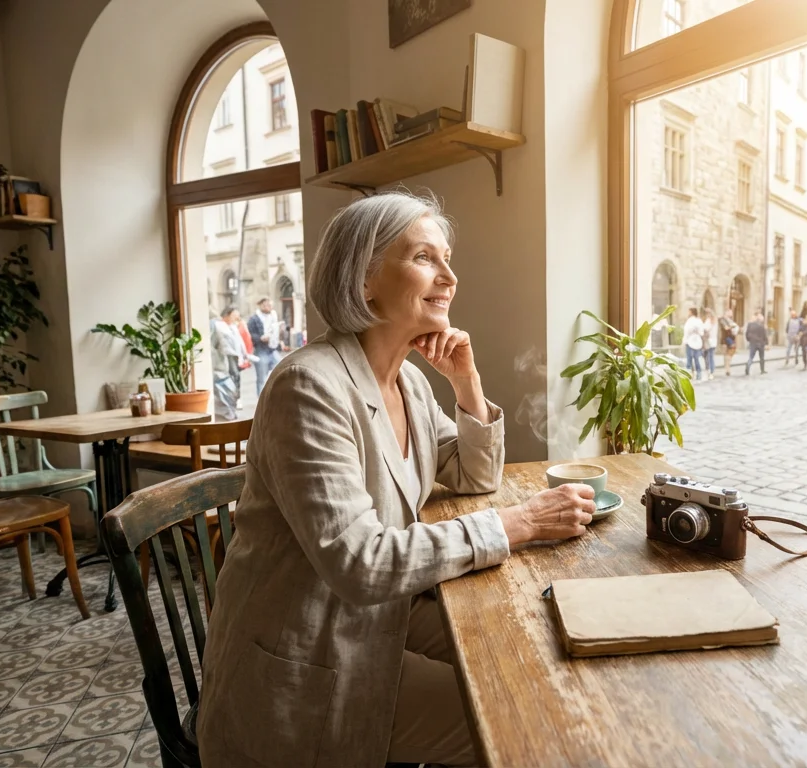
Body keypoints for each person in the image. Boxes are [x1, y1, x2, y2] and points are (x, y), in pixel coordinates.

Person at [197, 192, 597, 768]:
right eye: (425, 258)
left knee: (525, 652)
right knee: (530, 718)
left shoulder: (407, 381)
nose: (450, 277)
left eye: (447, 258)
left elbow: (473, 476)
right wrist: (523, 522)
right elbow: (361, 563)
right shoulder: (307, 388)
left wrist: (467, 382)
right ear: (364, 280)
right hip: (309, 665)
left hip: (377, 620)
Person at [247, 297, 284, 394]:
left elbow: (276, 332)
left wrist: (280, 333)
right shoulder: (254, 319)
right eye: (265, 305)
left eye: (269, 305)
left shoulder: (274, 316)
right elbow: (250, 334)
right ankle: (261, 400)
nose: (268, 307)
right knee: (261, 378)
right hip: (261, 350)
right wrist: (260, 338)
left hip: (273, 349)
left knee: (280, 371)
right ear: (261, 305)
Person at [209, 310, 241, 420]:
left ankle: (230, 413)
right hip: (220, 368)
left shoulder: (218, 325)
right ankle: (229, 414)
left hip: (222, 366)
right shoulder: (216, 325)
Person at [682, 308, 705, 380]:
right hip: (697, 342)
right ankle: (699, 374)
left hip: (690, 341)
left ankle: (689, 374)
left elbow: (686, 331)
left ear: (691, 312)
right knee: (696, 359)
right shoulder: (699, 321)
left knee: (689, 359)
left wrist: (684, 341)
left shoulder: (690, 321)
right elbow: (702, 332)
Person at [744, 309, 767, 375]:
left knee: (751, 357)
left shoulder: (750, 324)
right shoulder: (762, 326)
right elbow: (764, 335)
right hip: (760, 343)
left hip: (753, 343)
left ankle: (748, 365)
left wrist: (749, 340)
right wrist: (766, 343)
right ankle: (762, 370)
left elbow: (747, 334)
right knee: (761, 357)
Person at [719, 311, 739, 376]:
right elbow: (726, 328)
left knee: (729, 354)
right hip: (725, 340)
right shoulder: (722, 320)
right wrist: (732, 326)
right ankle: (727, 369)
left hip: (731, 339)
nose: (730, 315)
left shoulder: (730, 321)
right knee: (726, 355)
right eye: (729, 313)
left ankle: (727, 368)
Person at [702, 308, 719, 381]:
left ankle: (709, 371)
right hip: (713, 341)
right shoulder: (715, 322)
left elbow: (705, 328)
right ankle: (711, 371)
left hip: (708, 341)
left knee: (708, 356)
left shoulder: (709, 321)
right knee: (710, 356)